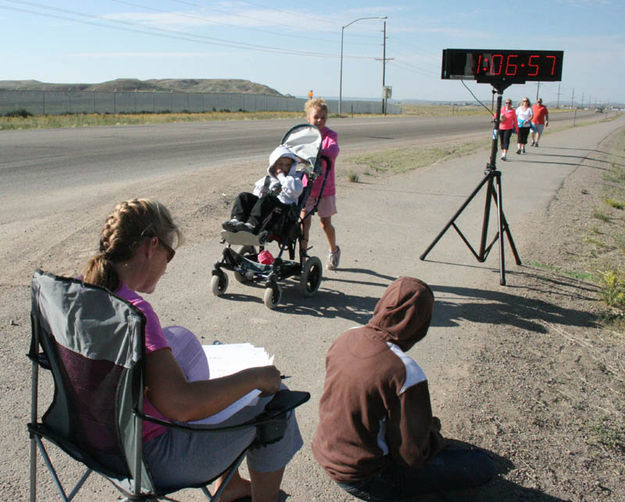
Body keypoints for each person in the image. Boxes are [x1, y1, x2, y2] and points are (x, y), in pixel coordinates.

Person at [83, 198, 303, 502]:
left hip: (97, 443)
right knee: (278, 401)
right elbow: (181, 405)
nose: (167, 267)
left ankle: (233, 487)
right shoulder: (135, 313)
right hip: (151, 458)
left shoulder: (83, 297)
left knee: (219, 381)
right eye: (169, 255)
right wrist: (254, 378)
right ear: (151, 247)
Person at [312, 277, 495, 501]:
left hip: (325, 452)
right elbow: (411, 456)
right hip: (366, 477)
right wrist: (432, 438)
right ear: (420, 322)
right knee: (482, 464)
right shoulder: (405, 372)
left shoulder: (348, 335)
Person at [222, 145, 303, 234]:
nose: (283, 167)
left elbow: (292, 191)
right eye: (280, 164)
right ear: (274, 165)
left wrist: (281, 177)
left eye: (287, 165)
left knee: (267, 198)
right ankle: (236, 220)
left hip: (280, 214)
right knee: (244, 196)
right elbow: (257, 197)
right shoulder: (267, 180)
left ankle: (252, 225)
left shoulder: (294, 180)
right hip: (264, 211)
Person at [300, 98, 341, 270]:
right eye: (316, 117)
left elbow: (333, 151)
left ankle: (333, 250)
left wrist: (316, 151)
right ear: (308, 118)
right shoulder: (303, 135)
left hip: (325, 188)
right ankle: (302, 258)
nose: (319, 121)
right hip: (306, 187)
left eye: (323, 118)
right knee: (303, 223)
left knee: (325, 223)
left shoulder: (330, 136)